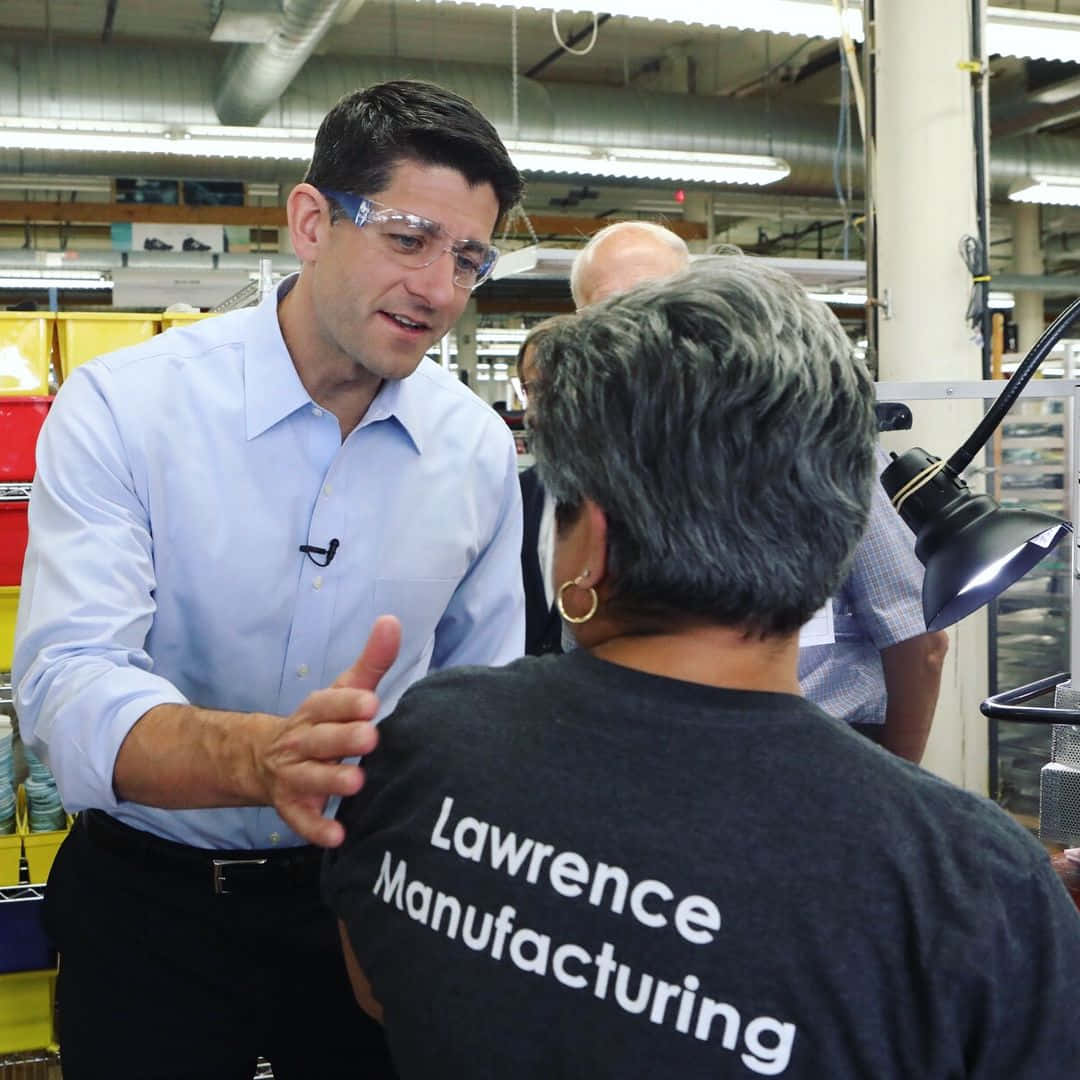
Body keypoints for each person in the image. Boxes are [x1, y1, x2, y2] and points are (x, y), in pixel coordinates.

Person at [323, 259, 1080, 1078]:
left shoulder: (425, 741)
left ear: (591, 541)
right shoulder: (968, 883)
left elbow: (375, 991)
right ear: (832, 532)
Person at [13, 80, 526, 1079]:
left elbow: (485, 696)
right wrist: (263, 759)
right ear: (310, 222)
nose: (438, 289)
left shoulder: (471, 449)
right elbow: (68, 681)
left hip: (362, 895)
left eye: (469, 259)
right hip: (148, 904)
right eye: (410, 238)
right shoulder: (129, 408)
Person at [567, 220, 949, 763]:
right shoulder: (593, 466)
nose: (642, 330)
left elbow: (918, 641)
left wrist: (894, 784)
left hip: (822, 756)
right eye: (614, 311)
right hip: (655, 764)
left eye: (663, 302)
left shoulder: (822, 445)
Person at [515, 315, 577, 656]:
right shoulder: (517, 493)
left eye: (557, 385)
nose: (538, 408)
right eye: (530, 388)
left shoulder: (640, 501)